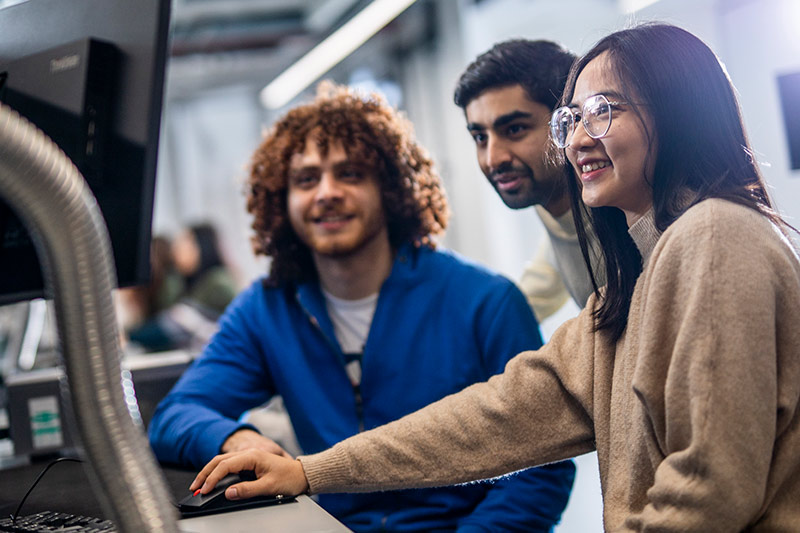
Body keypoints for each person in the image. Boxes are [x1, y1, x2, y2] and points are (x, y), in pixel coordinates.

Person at [191, 24, 800, 532]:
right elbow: (499, 415)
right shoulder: (631, 285)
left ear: (678, 111)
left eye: (603, 112)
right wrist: (312, 471)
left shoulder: (715, 236)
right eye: (572, 119)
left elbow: (711, 490)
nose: (579, 138)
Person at [150, 83, 575, 531]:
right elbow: (175, 415)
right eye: (306, 179)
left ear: (390, 190)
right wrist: (232, 437)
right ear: (282, 199)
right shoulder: (267, 308)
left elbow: (542, 465)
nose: (327, 192)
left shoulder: (486, 303)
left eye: (350, 174)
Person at [454, 39, 603, 320]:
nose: (493, 159)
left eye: (515, 129)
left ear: (566, 123)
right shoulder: (557, 214)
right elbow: (535, 290)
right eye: (480, 138)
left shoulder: (625, 211)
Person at [128, 223, 238, 352]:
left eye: (185, 242)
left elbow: (176, 322)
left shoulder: (218, 282)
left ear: (202, 245)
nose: (177, 249)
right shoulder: (186, 283)